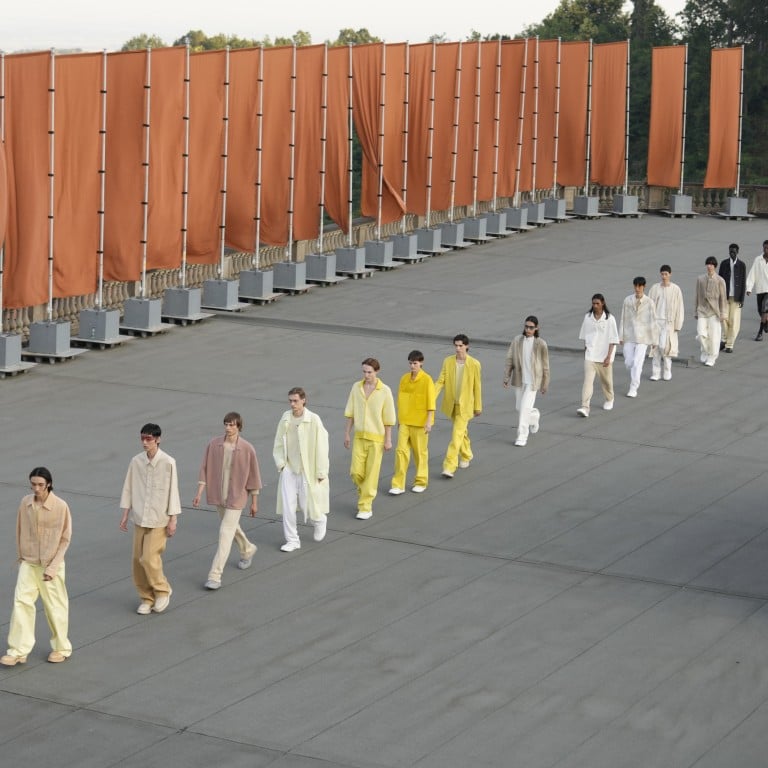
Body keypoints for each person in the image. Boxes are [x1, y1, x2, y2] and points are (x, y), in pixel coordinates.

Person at [1, 468, 72, 666]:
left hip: (51, 565)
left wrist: (52, 568)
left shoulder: (60, 506)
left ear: (48, 483)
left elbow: (65, 539)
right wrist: (22, 557)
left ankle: (61, 647)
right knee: (21, 603)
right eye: (33, 484)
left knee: (55, 607)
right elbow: (19, 529)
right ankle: (18, 650)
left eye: (40, 485)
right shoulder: (25, 503)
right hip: (29, 563)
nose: (36, 488)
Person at [193, 412, 261, 590]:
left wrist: (254, 501)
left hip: (237, 497)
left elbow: (254, 476)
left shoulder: (247, 449)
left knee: (225, 532)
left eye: (232, 425)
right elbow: (204, 468)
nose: (228, 428)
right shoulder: (214, 444)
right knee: (231, 527)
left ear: (239, 426)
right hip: (218, 496)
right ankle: (247, 549)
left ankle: (215, 575)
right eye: (226, 424)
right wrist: (199, 492)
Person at [119, 423, 181, 615]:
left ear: (158, 439)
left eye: (149, 439)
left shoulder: (168, 462)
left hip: (158, 519)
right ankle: (146, 597)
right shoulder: (135, 461)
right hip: (139, 518)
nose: (145, 443)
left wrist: (173, 520)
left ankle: (162, 590)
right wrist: (125, 514)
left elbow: (173, 492)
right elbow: (128, 487)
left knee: (149, 557)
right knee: (137, 560)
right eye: (142, 439)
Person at [273, 387, 330, 551]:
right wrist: (281, 464)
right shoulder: (285, 418)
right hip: (289, 468)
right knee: (288, 506)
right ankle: (292, 540)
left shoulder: (314, 419)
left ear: (303, 400)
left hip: (308, 469)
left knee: (308, 503)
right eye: (290, 401)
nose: (292, 404)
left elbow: (322, 445)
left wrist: (321, 471)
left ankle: (319, 520)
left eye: (295, 401)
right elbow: (278, 442)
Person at [344, 359, 396, 519]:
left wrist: (388, 439)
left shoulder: (385, 391)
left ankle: (365, 506)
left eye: (369, 372)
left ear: (377, 372)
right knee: (355, 472)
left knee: (371, 474)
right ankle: (365, 493)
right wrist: (347, 433)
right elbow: (351, 413)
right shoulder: (356, 387)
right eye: (364, 372)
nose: (366, 375)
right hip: (359, 437)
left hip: (376, 440)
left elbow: (388, 418)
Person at [435, 334, 483, 477]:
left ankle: (449, 466)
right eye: (456, 345)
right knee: (461, 432)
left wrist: (478, 406)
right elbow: (440, 381)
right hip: (451, 404)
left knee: (456, 435)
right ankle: (467, 455)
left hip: (465, 406)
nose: (458, 348)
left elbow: (477, 386)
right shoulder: (448, 361)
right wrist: (431, 396)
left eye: (460, 346)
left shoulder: (474, 364)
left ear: (467, 346)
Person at [389, 350, 436, 495]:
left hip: (420, 423)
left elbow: (431, 403)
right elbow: (401, 401)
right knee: (400, 452)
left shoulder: (427, 379)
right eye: (410, 363)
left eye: (415, 363)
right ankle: (398, 484)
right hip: (405, 422)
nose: (412, 366)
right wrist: (399, 419)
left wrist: (429, 422)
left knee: (420, 453)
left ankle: (421, 481)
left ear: (421, 363)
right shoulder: (404, 379)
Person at [503, 316, 550, 445]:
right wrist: (506, 377)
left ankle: (522, 436)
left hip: (533, 382)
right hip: (519, 380)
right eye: (526, 327)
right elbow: (510, 359)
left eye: (531, 327)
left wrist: (545, 384)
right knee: (520, 408)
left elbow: (545, 365)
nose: (528, 329)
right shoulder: (517, 340)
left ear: (536, 328)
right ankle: (534, 417)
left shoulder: (541, 344)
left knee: (524, 409)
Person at [576, 294, 619, 417]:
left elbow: (613, 339)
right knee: (588, 382)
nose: (595, 306)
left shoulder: (610, 319)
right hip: (590, 355)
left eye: (597, 303)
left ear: (603, 303)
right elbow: (585, 335)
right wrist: (586, 350)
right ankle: (585, 407)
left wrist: (608, 356)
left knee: (607, 382)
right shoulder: (587, 317)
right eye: (593, 303)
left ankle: (610, 398)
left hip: (604, 356)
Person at [619, 276, 658, 398]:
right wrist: (620, 335)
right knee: (629, 361)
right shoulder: (627, 300)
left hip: (643, 337)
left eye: (640, 286)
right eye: (635, 286)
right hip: (630, 335)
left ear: (644, 287)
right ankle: (632, 372)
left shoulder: (649, 302)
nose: (637, 288)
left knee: (637, 363)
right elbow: (623, 318)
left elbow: (653, 320)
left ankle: (633, 387)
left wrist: (654, 339)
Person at [648, 265, 684, 381]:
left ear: (670, 274)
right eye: (662, 274)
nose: (664, 276)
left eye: (666, 274)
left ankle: (667, 370)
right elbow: (649, 305)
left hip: (669, 322)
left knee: (665, 346)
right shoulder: (654, 288)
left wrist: (678, 324)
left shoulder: (676, 289)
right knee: (655, 347)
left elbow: (680, 308)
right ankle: (656, 373)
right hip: (656, 321)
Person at [694, 256, 728, 366]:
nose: (709, 266)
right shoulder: (700, 279)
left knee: (714, 336)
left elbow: (723, 298)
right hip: (702, 310)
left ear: (715, 266)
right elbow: (697, 296)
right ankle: (705, 351)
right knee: (701, 334)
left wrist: (723, 313)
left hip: (715, 312)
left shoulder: (720, 281)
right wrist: (696, 311)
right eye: (708, 264)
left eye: (712, 264)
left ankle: (712, 357)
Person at [718, 243, 746, 352]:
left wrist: (742, 299)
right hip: (725, 297)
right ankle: (724, 340)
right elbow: (719, 281)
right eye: (730, 251)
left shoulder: (742, 265)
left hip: (736, 298)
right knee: (724, 319)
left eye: (734, 252)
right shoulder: (724, 264)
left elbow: (743, 283)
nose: (732, 253)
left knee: (734, 321)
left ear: (737, 252)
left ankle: (729, 345)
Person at [745, 240, 768, 341]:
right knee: (761, 311)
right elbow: (752, 274)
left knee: (764, 309)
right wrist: (749, 288)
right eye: (765, 248)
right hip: (760, 289)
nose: (766, 250)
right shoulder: (758, 260)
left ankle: (760, 333)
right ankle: (766, 322)